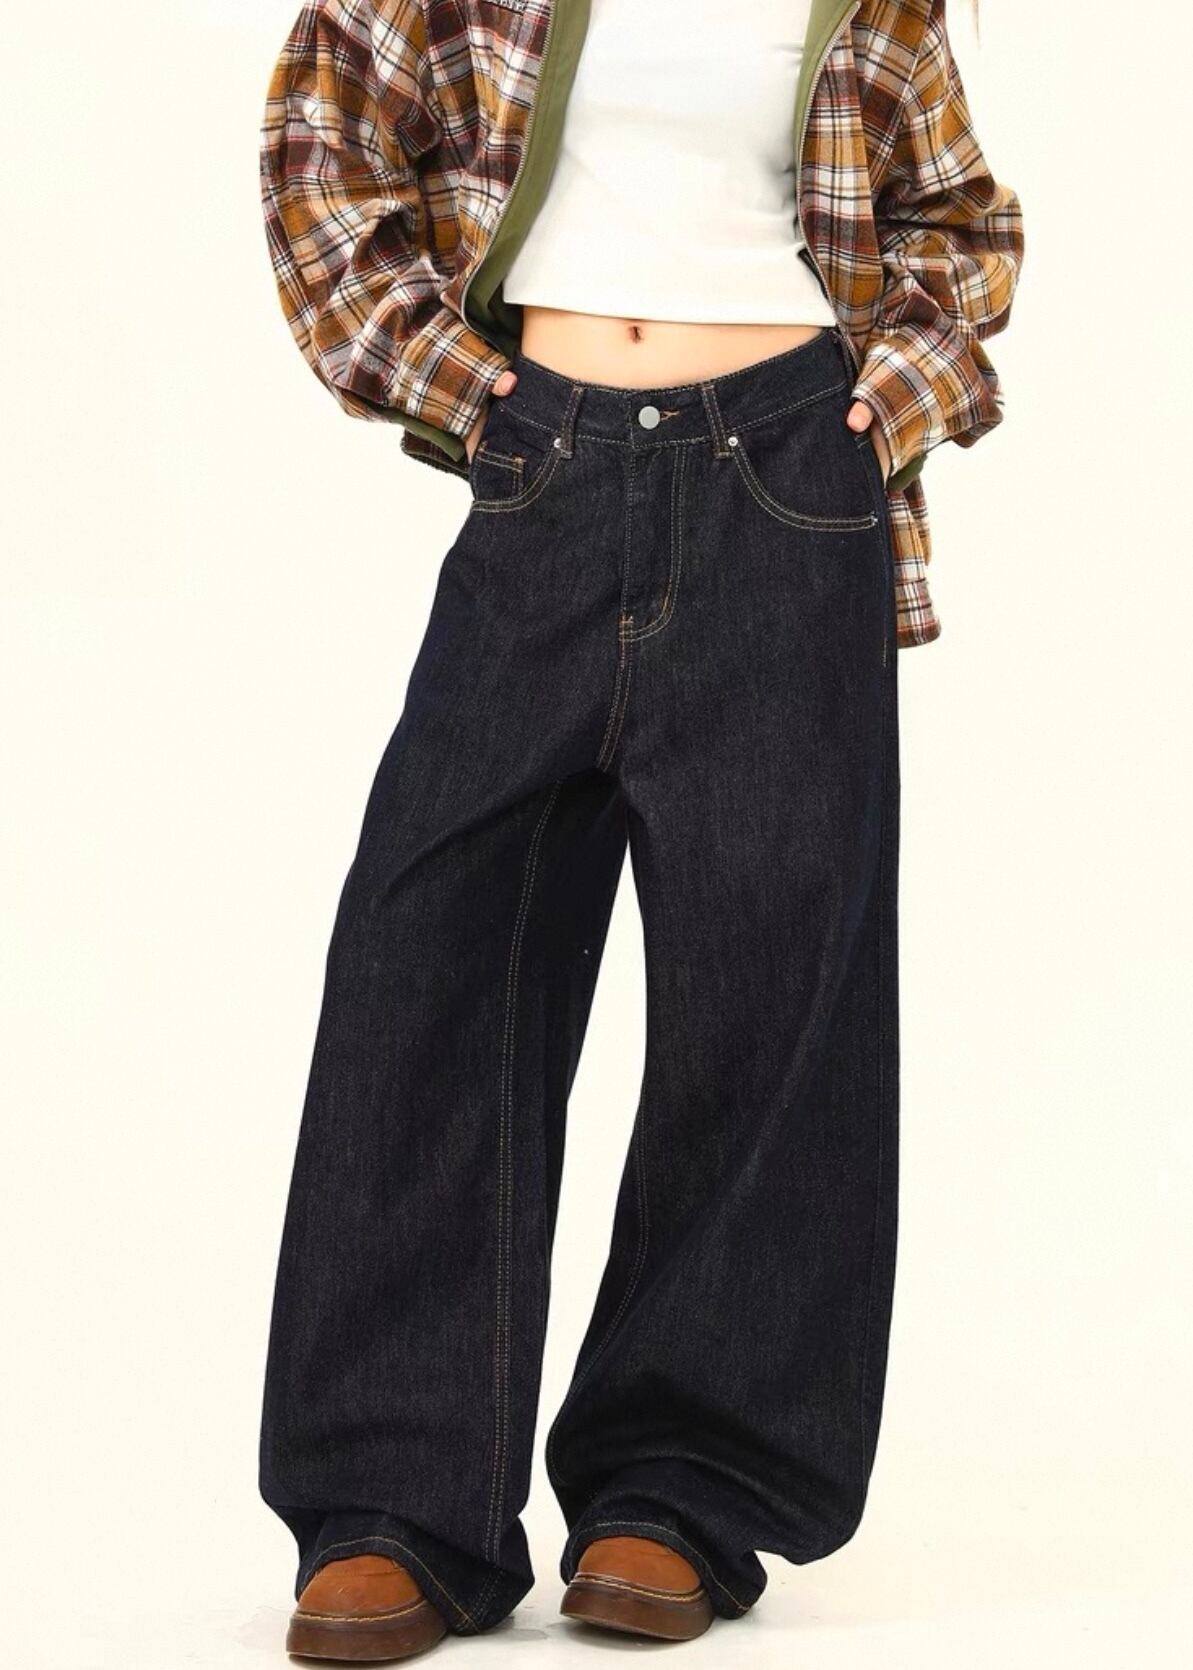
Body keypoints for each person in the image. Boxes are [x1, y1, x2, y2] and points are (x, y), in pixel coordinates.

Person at [256, 0, 1024, 1659]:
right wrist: (474, 390)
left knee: (768, 994)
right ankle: (393, 1500)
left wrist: (885, 402)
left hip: (789, 480)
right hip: (545, 458)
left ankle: (680, 1490)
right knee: (424, 961)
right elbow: (322, 156)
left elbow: (960, 227)